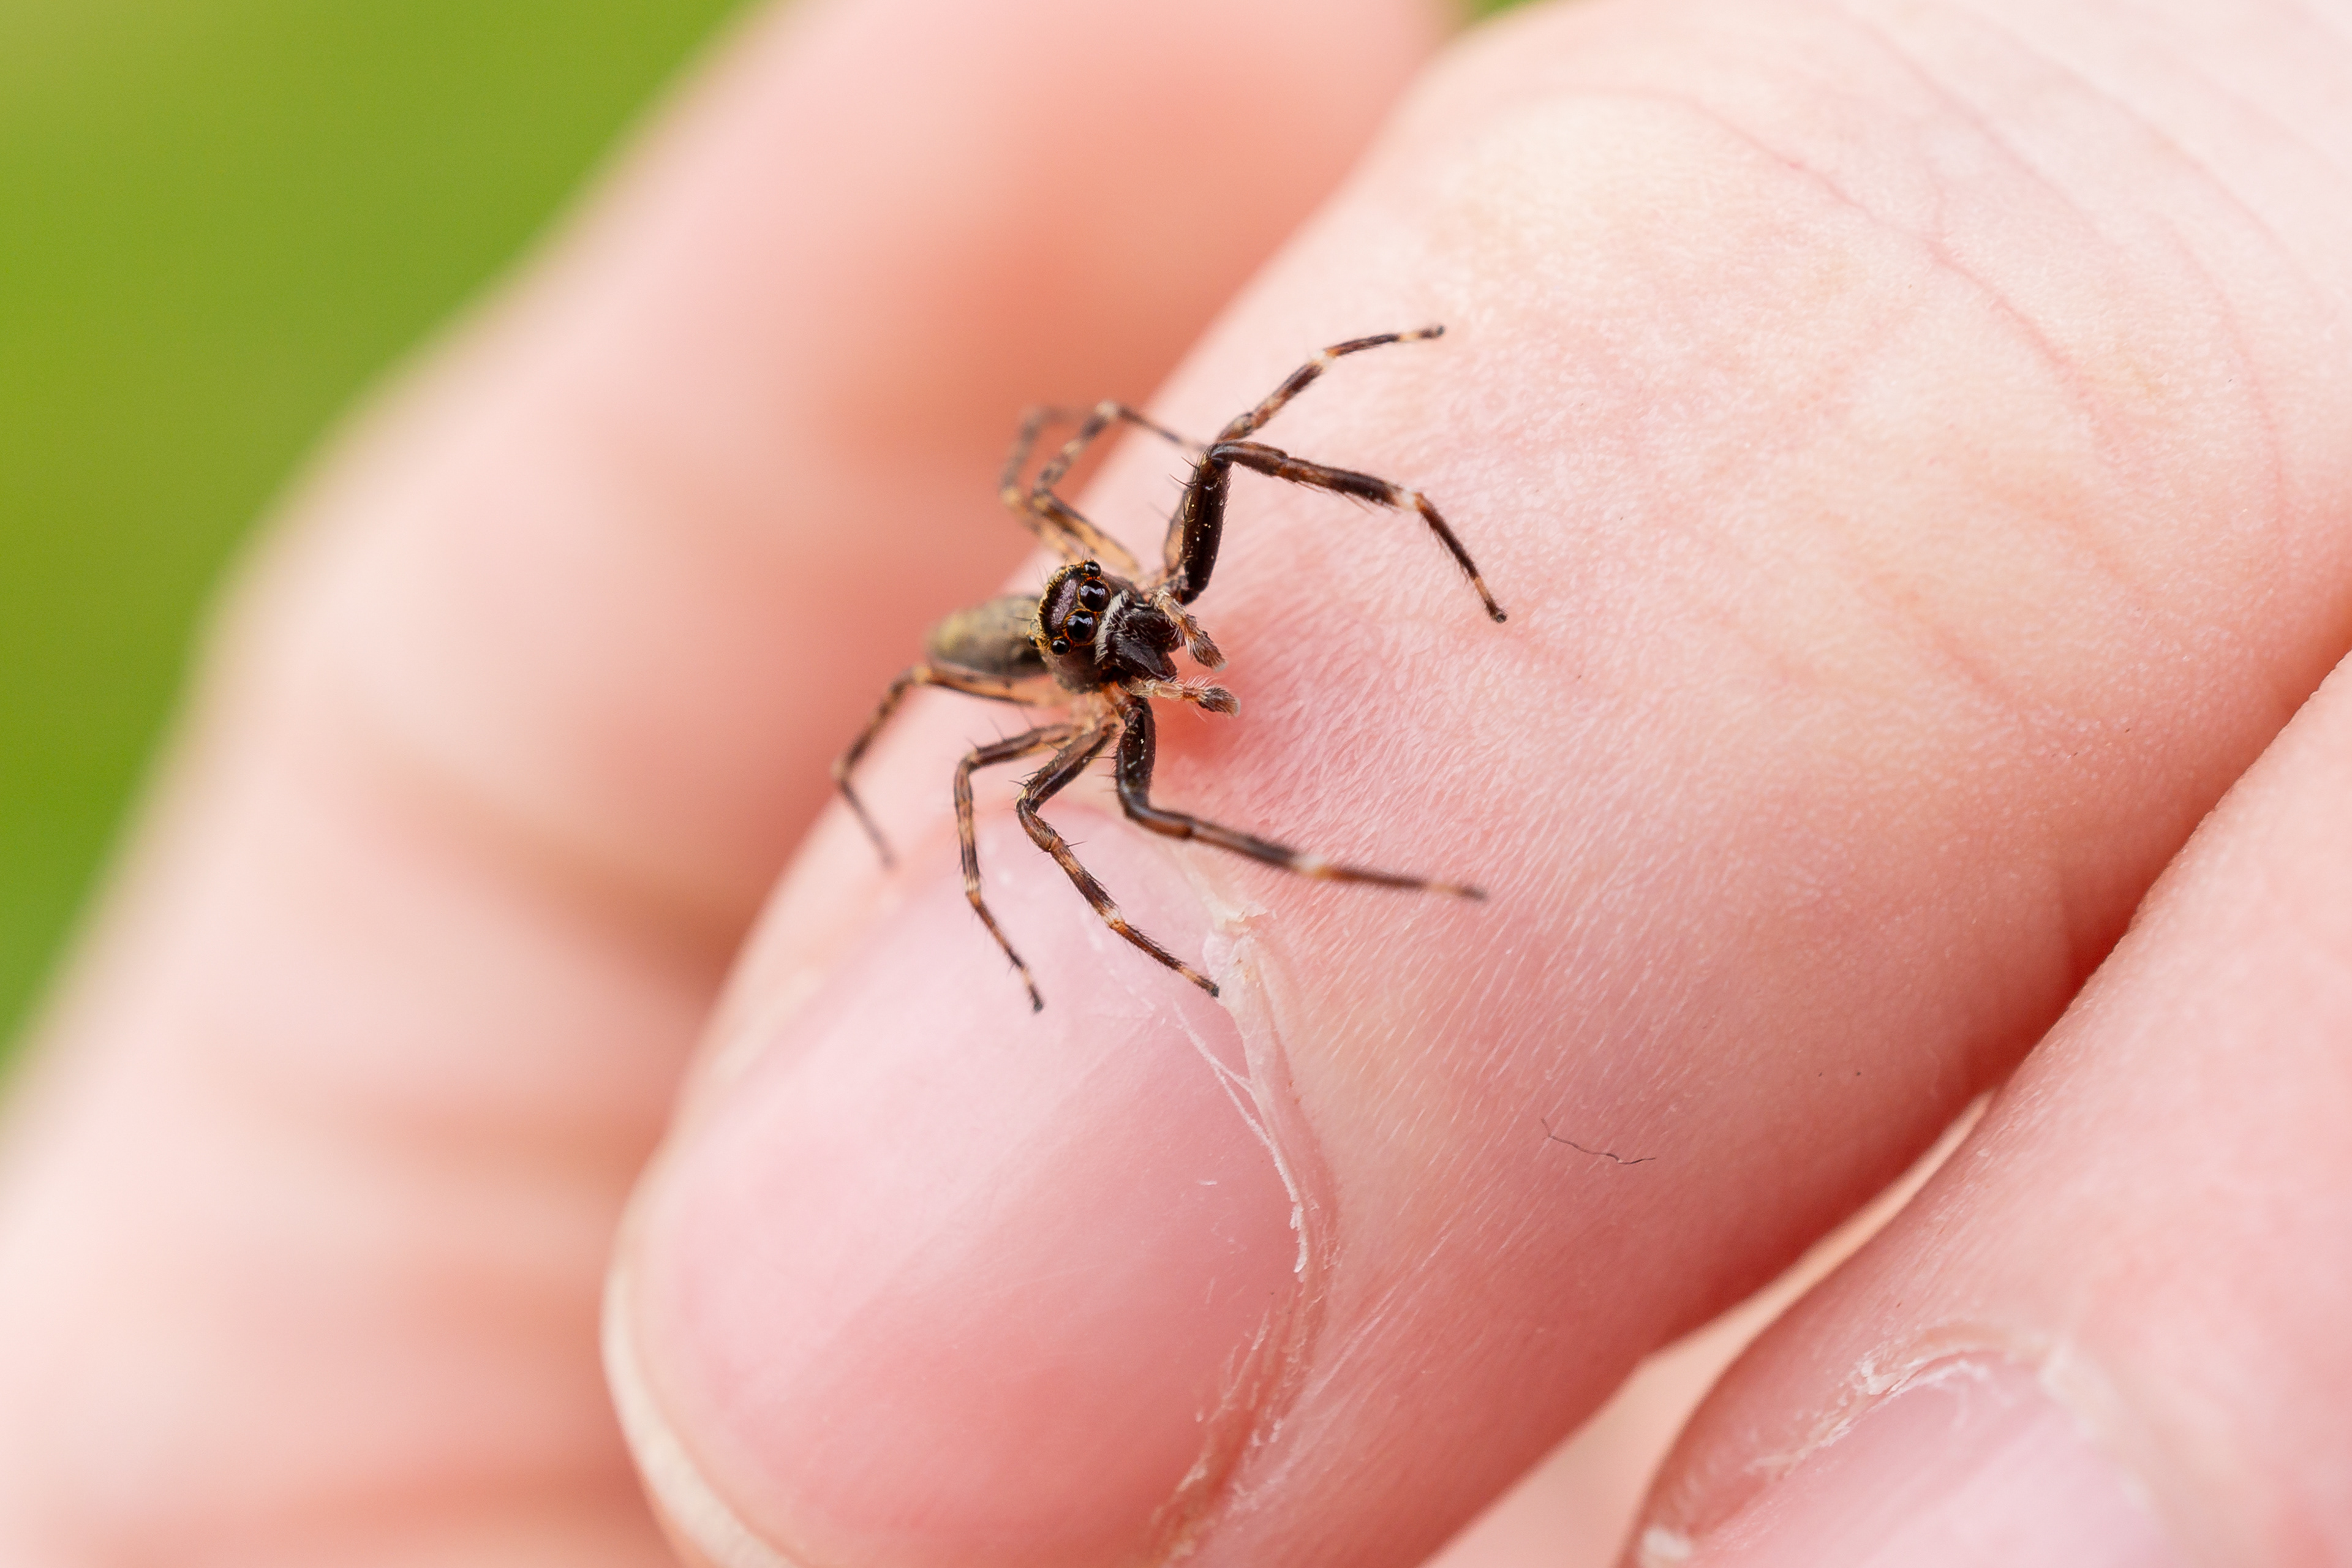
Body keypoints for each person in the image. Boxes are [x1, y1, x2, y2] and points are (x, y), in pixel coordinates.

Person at [2, 0, 2346, 1564]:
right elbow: (990, 798)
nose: (1169, 646)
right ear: (1093, 624)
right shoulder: (1053, 710)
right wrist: (1230, 900)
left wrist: (1432, 476)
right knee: (1059, 826)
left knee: (1242, 429)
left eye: (1145, 615)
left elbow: (1172, 431)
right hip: (974, 708)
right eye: (1136, 631)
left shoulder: (1127, 561)